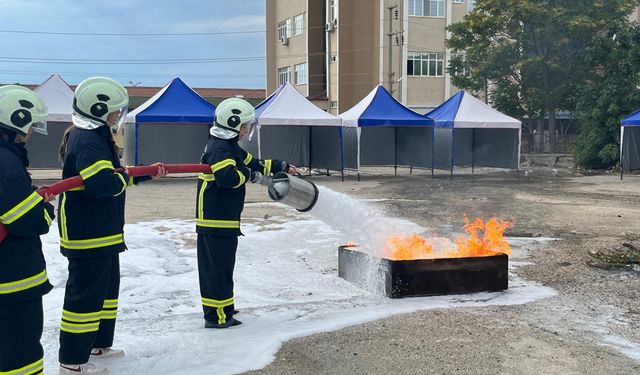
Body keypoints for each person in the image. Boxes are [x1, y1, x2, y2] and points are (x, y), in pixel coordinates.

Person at [57, 76, 166, 375]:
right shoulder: (88, 141)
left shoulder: (97, 136)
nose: (118, 116)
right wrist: (127, 177)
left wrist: (144, 174)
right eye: (115, 111)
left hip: (102, 230)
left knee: (105, 292)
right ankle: (72, 361)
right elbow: (103, 182)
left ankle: (97, 345)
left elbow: (115, 173)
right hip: (87, 233)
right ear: (98, 109)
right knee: (85, 295)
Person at [196, 98, 297, 329]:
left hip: (225, 219)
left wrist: (281, 165)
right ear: (232, 125)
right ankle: (217, 316)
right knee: (216, 270)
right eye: (244, 126)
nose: (246, 130)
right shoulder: (219, 148)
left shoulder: (230, 146)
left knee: (223, 268)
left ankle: (225, 308)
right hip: (215, 220)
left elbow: (254, 163)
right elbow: (228, 178)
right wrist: (251, 176)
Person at [0, 86, 53, 375]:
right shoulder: (7, 164)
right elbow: (24, 220)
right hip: (13, 280)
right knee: (21, 351)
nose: (33, 130)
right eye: (31, 123)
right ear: (16, 120)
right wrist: (45, 210)